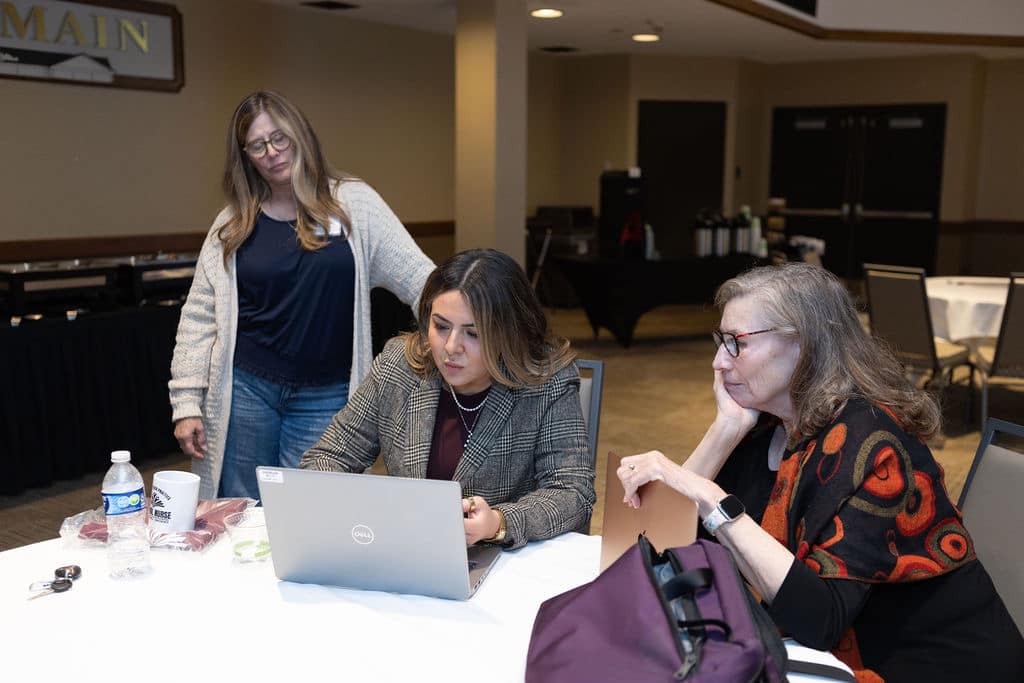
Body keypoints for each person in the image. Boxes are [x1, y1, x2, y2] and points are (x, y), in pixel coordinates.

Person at [617, 262, 1024, 682]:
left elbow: (818, 618)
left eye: (737, 343)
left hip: (933, 664)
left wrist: (712, 499)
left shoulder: (872, 442)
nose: (719, 362)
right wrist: (724, 431)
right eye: (720, 341)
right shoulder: (762, 426)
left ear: (804, 344)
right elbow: (662, 548)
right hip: (822, 654)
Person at [169, 90, 434, 501]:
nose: (272, 153)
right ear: (245, 156)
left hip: (327, 394)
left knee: (314, 507)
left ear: (300, 134)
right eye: (258, 145)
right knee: (239, 507)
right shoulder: (233, 223)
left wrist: (457, 336)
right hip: (246, 389)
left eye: (279, 138)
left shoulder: (353, 205)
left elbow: (421, 279)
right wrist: (186, 402)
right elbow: (199, 317)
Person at [300, 249, 595, 548]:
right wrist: (368, 510)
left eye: (473, 333)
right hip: (405, 549)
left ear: (510, 333)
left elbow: (573, 493)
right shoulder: (398, 366)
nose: (451, 347)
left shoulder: (546, 382)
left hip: (498, 559)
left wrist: (499, 522)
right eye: (441, 326)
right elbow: (327, 457)